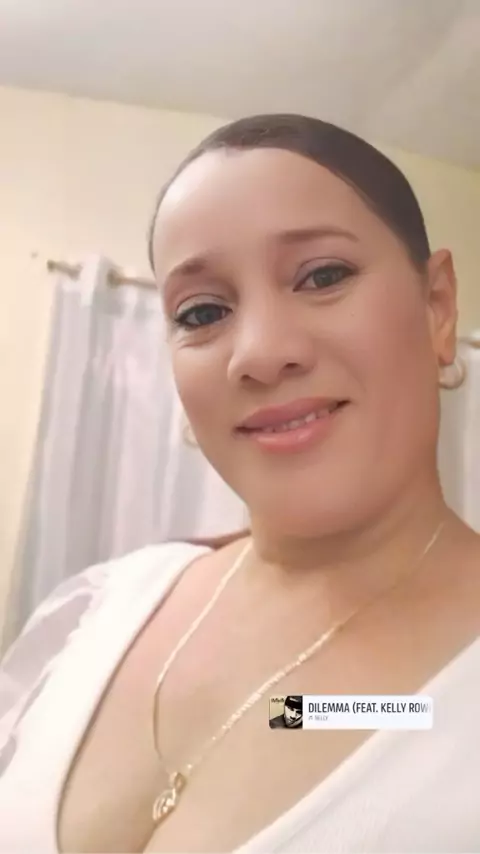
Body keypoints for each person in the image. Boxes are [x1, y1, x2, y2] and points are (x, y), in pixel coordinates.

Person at [1, 113, 479, 854]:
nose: (258, 353)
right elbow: (295, 713)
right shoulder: (96, 613)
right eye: (203, 312)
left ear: (437, 306)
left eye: (323, 276)